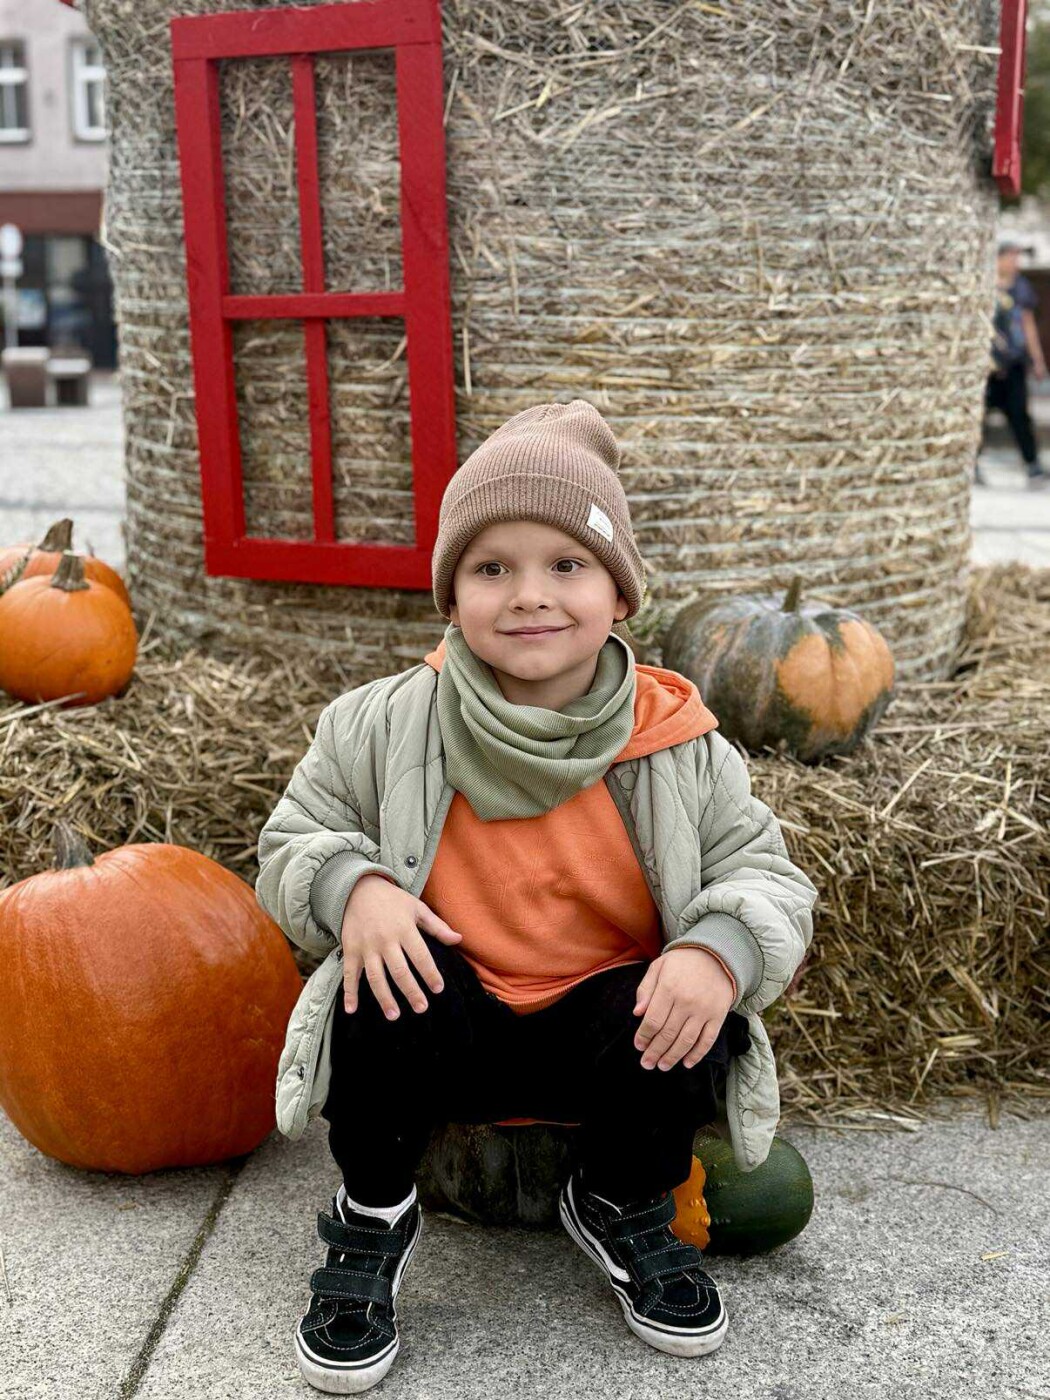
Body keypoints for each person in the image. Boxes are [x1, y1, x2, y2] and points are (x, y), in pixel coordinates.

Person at [255, 399, 819, 1393]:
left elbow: (765, 874)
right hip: (450, 1012)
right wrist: (354, 886)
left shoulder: (680, 742)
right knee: (375, 992)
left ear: (619, 592)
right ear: (451, 592)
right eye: (491, 568)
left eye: (566, 565)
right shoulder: (380, 723)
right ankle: (373, 1211)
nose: (529, 596)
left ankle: (617, 1195)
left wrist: (717, 949)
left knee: (693, 1017)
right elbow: (293, 836)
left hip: (603, 1024)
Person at [980, 240, 1050, 488]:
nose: (1015, 263)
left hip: (1014, 364)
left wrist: (1038, 360)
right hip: (986, 365)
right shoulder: (983, 284)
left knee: (1020, 415)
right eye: (1011, 257)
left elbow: (1027, 325)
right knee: (978, 416)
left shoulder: (1021, 287)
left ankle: (1033, 466)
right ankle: (971, 465)